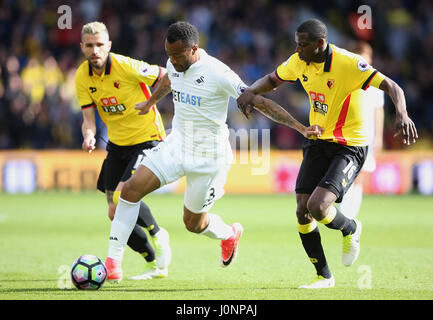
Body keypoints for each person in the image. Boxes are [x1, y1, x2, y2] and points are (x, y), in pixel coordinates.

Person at [104, 21, 323, 283]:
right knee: (129, 191)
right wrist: (150, 102)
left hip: (209, 158)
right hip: (177, 145)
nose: (172, 60)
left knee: (193, 224)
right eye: (169, 55)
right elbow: (168, 79)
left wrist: (300, 127)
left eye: (177, 55)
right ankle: (113, 263)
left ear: (194, 48)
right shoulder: (175, 62)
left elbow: (260, 101)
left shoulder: (218, 73)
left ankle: (229, 234)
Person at [237, 18, 418, 289]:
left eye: (303, 45)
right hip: (318, 138)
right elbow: (273, 80)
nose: (298, 49)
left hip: (349, 145)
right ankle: (324, 276)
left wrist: (402, 114)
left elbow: (393, 86)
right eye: (297, 44)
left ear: (320, 44)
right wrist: (250, 91)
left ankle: (350, 228)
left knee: (318, 207)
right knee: (302, 211)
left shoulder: (349, 64)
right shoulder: (299, 61)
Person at [75, 21, 172, 280]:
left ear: (108, 46)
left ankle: (158, 233)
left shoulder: (125, 66)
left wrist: (151, 101)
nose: (94, 50)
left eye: (99, 45)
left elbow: (166, 76)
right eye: (89, 45)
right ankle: (151, 261)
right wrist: (89, 136)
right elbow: (88, 117)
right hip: (117, 144)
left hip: (147, 138)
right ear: (82, 47)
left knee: (122, 196)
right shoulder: (82, 76)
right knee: (113, 210)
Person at [339, 41, 384, 219]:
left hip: (368, 135)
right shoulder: (347, 79)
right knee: (348, 175)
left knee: (361, 177)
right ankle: (344, 213)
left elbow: (378, 111)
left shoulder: (375, 81)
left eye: (368, 59)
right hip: (349, 135)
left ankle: (349, 215)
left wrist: (379, 136)